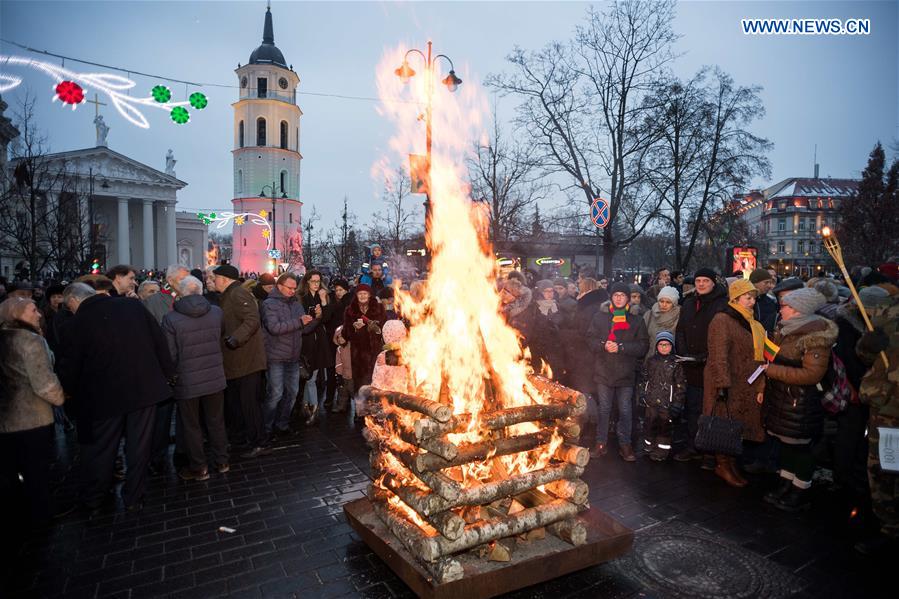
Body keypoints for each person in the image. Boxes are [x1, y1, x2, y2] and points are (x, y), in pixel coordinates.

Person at [57, 285, 175, 513]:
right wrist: (168, 374)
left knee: (102, 448)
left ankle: (95, 497)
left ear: (74, 300)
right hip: (144, 389)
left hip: (103, 397)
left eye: (68, 305)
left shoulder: (76, 323)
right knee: (139, 446)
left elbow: (70, 366)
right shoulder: (131, 306)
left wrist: (68, 391)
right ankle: (134, 496)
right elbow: (159, 341)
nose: (68, 310)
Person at [763, 288, 838, 512]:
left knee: (801, 447)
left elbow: (811, 375)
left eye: (784, 306)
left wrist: (773, 371)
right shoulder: (785, 329)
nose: (780, 309)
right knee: (786, 442)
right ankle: (786, 482)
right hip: (784, 399)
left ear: (798, 310)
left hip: (801, 402)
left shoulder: (815, 337)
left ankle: (801, 488)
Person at [0, 297, 66, 524]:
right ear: (16, 315)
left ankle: (17, 509)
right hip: (31, 416)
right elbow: (44, 382)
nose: (39, 314)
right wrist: (60, 398)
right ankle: (41, 513)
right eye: (32, 310)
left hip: (6, 417)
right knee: (36, 468)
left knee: (11, 467)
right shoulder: (29, 341)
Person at [161, 276, 229, 480]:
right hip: (215, 375)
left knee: (191, 426)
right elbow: (221, 337)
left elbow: (170, 354)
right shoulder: (216, 312)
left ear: (180, 293)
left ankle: (199, 467)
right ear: (200, 291)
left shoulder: (171, 318)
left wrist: (172, 374)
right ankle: (222, 461)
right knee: (216, 421)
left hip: (187, 379)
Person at [704, 279, 767, 487]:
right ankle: (722, 465)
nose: (751, 302)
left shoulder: (751, 322)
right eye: (747, 298)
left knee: (735, 425)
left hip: (745, 383)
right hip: (726, 384)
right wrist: (722, 385)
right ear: (735, 298)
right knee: (724, 423)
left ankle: (730, 463)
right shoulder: (722, 320)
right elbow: (718, 355)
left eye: (753, 298)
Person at [854, 292, 899, 554]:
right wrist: (868, 346)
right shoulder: (888, 310)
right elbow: (865, 355)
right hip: (885, 407)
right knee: (884, 469)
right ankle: (889, 527)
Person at [586, 282, 649, 461]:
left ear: (628, 298)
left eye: (622, 295)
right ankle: (600, 443)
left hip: (625, 372)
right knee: (604, 409)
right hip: (603, 371)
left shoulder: (636, 319)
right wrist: (602, 345)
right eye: (616, 295)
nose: (619, 298)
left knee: (625, 410)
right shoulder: (600, 317)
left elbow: (643, 346)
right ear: (611, 298)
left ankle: (625, 444)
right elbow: (590, 339)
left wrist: (621, 347)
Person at [213, 264, 269, 459]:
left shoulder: (238, 293)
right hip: (235, 361)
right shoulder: (228, 295)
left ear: (224, 279)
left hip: (247, 360)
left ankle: (258, 442)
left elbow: (252, 319)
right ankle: (240, 438)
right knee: (236, 404)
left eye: (215, 278)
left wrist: (235, 339)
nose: (212, 281)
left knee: (249, 404)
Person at [673, 268, 728, 465]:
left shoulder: (722, 304)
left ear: (713, 283)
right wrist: (684, 352)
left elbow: (723, 337)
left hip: (711, 364)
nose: (701, 284)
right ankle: (693, 445)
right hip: (690, 364)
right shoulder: (688, 303)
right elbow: (680, 330)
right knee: (693, 407)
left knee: (711, 409)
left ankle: (710, 450)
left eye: (705, 280)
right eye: (698, 281)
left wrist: (704, 356)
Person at [260, 273, 314, 436]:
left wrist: (315, 319)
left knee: (292, 393)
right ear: (279, 286)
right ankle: (266, 428)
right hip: (275, 357)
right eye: (289, 288)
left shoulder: (296, 303)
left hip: (293, 356)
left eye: (294, 288)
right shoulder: (269, 304)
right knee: (275, 394)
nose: (292, 291)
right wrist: (299, 322)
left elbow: (305, 329)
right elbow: (274, 328)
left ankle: (282, 424)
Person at [640, 331, 685, 461]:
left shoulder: (676, 363)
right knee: (650, 423)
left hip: (667, 402)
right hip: (651, 401)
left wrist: (678, 403)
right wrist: (642, 393)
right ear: (656, 346)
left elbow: (680, 385)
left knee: (664, 426)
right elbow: (644, 379)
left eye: (667, 344)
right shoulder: (650, 361)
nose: (664, 347)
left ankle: (662, 450)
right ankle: (649, 445)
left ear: (671, 346)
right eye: (661, 344)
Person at [300, 270, 336, 423]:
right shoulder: (301, 297)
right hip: (306, 339)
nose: (316, 284)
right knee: (308, 376)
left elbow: (327, 318)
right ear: (307, 281)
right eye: (313, 281)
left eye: (318, 281)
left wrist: (323, 301)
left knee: (312, 376)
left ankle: (312, 407)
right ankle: (308, 406)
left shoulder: (324, 296)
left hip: (319, 340)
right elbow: (303, 319)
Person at [342, 284, 387, 393]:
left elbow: (385, 328)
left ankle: (375, 408)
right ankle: (360, 408)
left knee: (375, 384)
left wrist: (376, 328)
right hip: (358, 355)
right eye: (360, 294)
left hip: (374, 352)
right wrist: (354, 328)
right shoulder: (350, 310)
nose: (362, 296)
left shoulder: (379, 308)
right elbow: (345, 334)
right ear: (356, 295)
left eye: (365, 293)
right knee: (360, 386)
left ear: (370, 295)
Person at [371, 320, 410, 393]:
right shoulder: (406, 354)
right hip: (404, 396)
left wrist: (375, 395)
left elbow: (377, 380)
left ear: (385, 335)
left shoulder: (383, 356)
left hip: (387, 398)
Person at [643, 286, 680, 360]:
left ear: (674, 304)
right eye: (661, 301)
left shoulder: (679, 316)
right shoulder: (649, 315)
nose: (664, 305)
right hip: (650, 359)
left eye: (668, 302)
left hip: (671, 361)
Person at [749, 269, 778, 333]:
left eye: (770, 282)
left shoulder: (771, 302)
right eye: (766, 282)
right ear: (755, 282)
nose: (769, 286)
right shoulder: (744, 300)